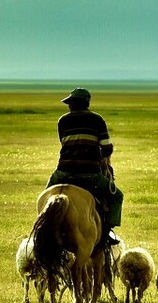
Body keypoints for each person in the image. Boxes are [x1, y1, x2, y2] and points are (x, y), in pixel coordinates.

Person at [46, 87, 124, 249]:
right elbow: (107, 149)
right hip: (89, 175)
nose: (68, 106)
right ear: (87, 103)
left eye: (70, 103)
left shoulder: (62, 121)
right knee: (117, 197)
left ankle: (42, 230)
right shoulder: (97, 120)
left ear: (73, 104)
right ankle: (107, 233)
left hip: (63, 173)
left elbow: (65, 142)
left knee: (46, 198)